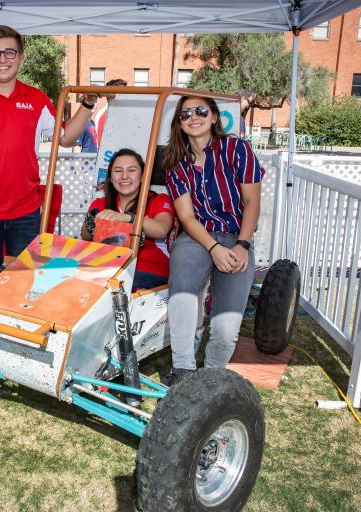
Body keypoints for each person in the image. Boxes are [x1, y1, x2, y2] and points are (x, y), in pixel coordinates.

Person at [0, 25, 98, 291]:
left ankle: (17, 332)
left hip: (26, 211)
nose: (2, 59)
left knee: (26, 279)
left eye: (9, 52)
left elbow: (66, 139)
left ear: (21, 57)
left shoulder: (36, 98)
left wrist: (87, 105)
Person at [162, 95, 263, 386]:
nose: (193, 117)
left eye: (201, 111)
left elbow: (252, 202)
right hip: (197, 237)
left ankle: (210, 376)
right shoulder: (175, 163)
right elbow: (187, 217)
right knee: (181, 292)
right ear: (179, 124)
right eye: (185, 114)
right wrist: (213, 248)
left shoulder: (237, 149)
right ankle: (182, 370)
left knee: (226, 327)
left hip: (236, 237)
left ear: (214, 117)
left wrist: (242, 246)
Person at [80, 148, 174, 291]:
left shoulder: (158, 200)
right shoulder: (100, 204)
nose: (124, 176)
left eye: (131, 170)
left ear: (143, 175)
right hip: (107, 270)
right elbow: (85, 236)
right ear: (111, 177)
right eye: (118, 171)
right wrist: (92, 223)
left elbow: (161, 230)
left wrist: (127, 218)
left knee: (115, 284)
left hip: (148, 271)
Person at [95, 78, 127, 144]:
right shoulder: (104, 115)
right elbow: (103, 144)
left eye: (125, 93)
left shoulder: (128, 111)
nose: (125, 96)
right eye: (121, 93)